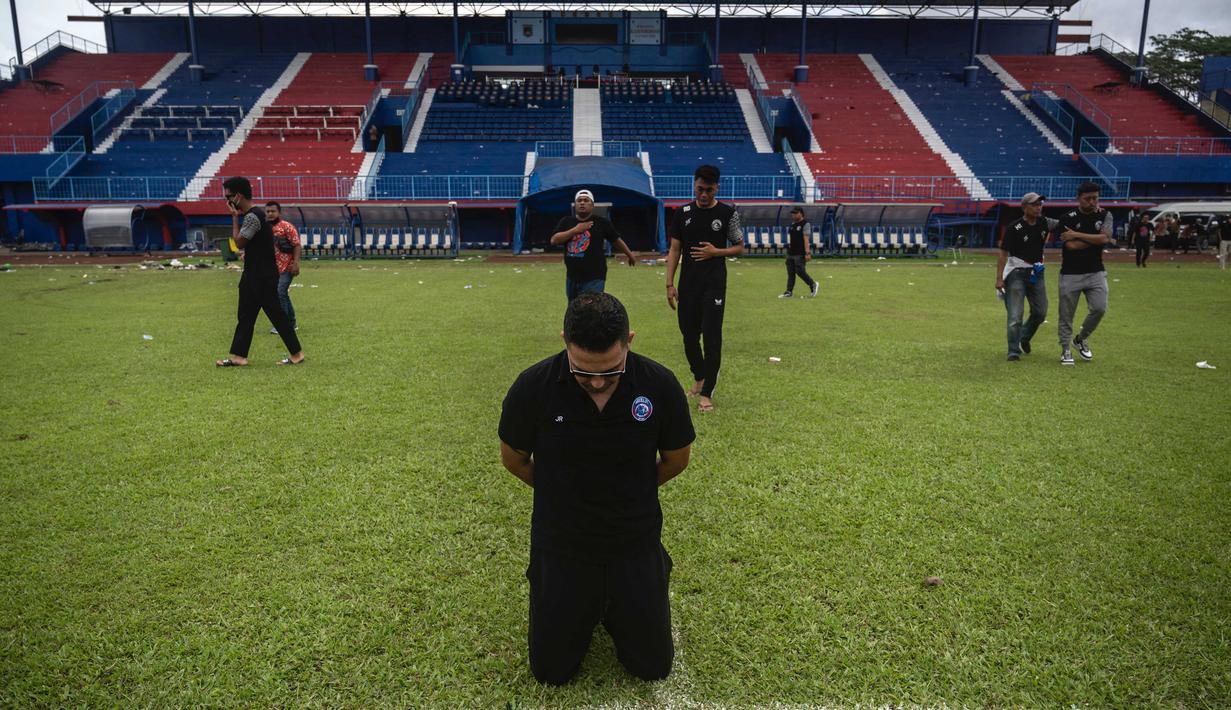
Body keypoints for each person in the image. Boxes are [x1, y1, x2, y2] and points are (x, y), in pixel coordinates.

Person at [498, 292, 694, 685]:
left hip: (633, 542)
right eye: (583, 371)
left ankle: (650, 574)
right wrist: (563, 493)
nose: (597, 381)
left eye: (611, 370)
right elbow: (514, 458)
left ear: (629, 341)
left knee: (652, 667)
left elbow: (676, 459)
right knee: (551, 672)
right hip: (563, 545)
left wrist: (630, 491)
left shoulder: (659, 384)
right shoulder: (533, 386)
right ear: (564, 342)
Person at [665, 164, 745, 412]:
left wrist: (716, 252)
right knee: (689, 335)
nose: (704, 194)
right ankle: (699, 376)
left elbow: (740, 247)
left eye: (709, 190)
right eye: (700, 189)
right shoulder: (682, 213)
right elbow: (674, 250)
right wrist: (669, 283)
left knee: (711, 337)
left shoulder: (727, 213)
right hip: (688, 285)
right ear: (694, 185)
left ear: (716, 188)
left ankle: (707, 393)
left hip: (714, 285)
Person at [215, 176, 305, 367]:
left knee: (275, 313)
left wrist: (234, 217)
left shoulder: (252, 217)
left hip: (261, 276)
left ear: (238, 196)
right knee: (245, 315)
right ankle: (239, 356)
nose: (227, 201)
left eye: (229, 197)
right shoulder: (255, 215)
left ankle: (297, 354)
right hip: (253, 274)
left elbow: (238, 243)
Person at [1056, 181, 1112, 366]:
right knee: (1066, 315)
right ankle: (1065, 350)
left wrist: (1078, 234)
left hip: (1096, 272)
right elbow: (1071, 246)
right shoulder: (1067, 218)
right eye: (1088, 198)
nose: (1092, 202)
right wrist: (1096, 239)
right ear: (1079, 198)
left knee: (1099, 308)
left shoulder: (1105, 215)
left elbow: (1105, 238)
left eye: (1095, 198)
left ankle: (1081, 338)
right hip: (1070, 273)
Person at [995, 192, 1056, 361]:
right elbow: (1003, 253)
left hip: (1037, 272)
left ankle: (1024, 336)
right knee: (1015, 315)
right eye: (1034, 204)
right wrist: (999, 278)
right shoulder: (1014, 227)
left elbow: (1064, 223)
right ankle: (1013, 351)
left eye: (1040, 204)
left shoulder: (1045, 222)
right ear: (1024, 207)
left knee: (1041, 312)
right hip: (1017, 272)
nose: (1038, 207)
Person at [549, 189, 636, 301]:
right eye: (579, 200)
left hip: (594, 277)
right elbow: (554, 240)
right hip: (572, 277)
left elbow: (616, 240)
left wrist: (629, 254)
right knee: (574, 308)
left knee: (591, 307)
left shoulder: (601, 223)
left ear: (592, 205)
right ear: (575, 204)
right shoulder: (566, 221)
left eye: (586, 200)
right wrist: (575, 230)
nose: (582, 203)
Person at [266, 201, 301, 335]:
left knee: (279, 293)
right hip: (272, 269)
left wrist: (296, 263)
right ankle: (292, 323)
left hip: (287, 267)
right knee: (282, 294)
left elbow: (296, 245)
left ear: (279, 212)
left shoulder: (287, 227)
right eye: (268, 211)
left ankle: (282, 325)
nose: (270, 214)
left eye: (273, 211)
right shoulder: (264, 228)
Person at [779, 206, 819, 299]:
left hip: (800, 253)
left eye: (795, 213)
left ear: (801, 213)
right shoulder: (793, 224)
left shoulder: (805, 224)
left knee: (800, 271)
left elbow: (806, 239)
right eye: (792, 213)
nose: (793, 215)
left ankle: (812, 284)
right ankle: (789, 292)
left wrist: (807, 253)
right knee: (791, 273)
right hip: (791, 253)